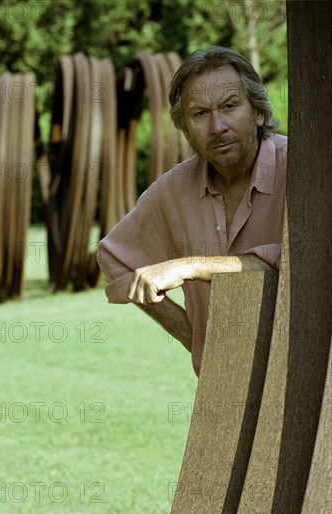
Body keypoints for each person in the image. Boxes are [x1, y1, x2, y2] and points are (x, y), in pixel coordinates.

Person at [97, 46, 287, 376]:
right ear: (185, 127)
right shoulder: (174, 188)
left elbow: (300, 259)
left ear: (257, 111)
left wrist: (190, 266)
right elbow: (114, 257)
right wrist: (199, 341)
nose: (217, 127)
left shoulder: (303, 170)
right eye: (199, 114)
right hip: (222, 385)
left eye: (230, 106)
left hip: (308, 383)